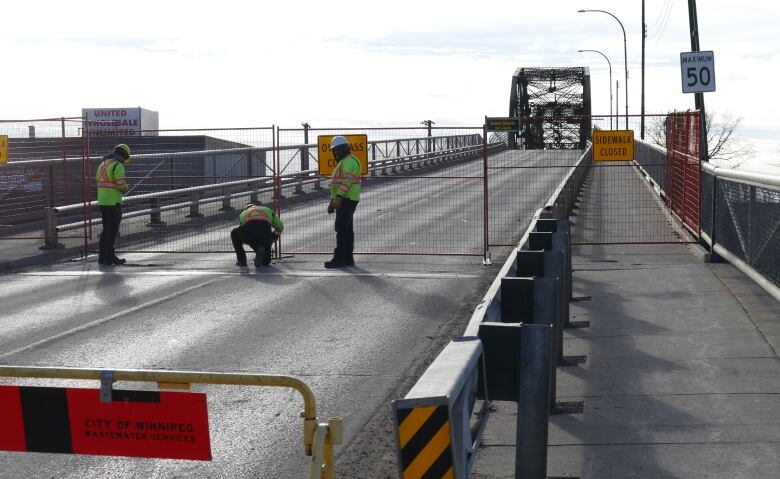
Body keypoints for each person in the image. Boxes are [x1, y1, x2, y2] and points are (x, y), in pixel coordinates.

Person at [325, 136, 361, 268]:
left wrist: (339, 196)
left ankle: (339, 259)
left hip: (347, 199)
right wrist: (332, 201)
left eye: (337, 150)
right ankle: (347, 258)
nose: (335, 153)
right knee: (346, 229)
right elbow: (336, 184)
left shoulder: (349, 161)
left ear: (343, 149)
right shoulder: (344, 162)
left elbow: (348, 180)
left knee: (341, 229)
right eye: (334, 151)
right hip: (344, 199)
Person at [96, 144, 131, 265]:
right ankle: (110, 257)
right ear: (124, 155)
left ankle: (102, 257)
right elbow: (121, 186)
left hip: (102, 202)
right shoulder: (118, 166)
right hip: (113, 202)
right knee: (112, 231)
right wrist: (126, 187)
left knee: (106, 230)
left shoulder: (103, 164)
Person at [231, 202, 284, 267]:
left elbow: (242, 229)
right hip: (265, 232)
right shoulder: (267, 209)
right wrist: (273, 237)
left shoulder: (243, 213)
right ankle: (263, 255)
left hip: (250, 231)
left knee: (234, 233)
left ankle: (242, 260)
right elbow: (280, 226)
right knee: (266, 262)